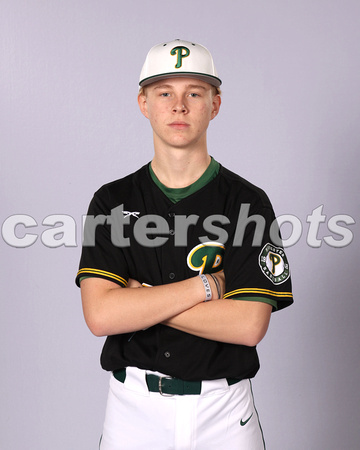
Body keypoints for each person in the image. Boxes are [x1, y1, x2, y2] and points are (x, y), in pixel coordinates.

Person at [76, 39, 293, 450]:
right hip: (133, 408)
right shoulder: (111, 201)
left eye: (194, 92)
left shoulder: (248, 202)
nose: (179, 106)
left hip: (223, 410)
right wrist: (206, 288)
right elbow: (101, 316)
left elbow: (248, 326)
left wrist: (141, 302)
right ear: (143, 103)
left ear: (215, 104)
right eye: (165, 93)